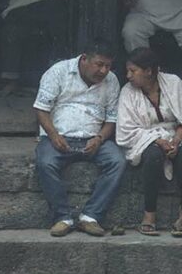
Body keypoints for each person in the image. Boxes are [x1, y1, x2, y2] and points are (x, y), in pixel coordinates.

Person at [33, 42, 125, 237]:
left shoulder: (112, 80)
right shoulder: (58, 72)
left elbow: (111, 119)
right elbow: (41, 109)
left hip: (94, 139)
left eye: (108, 66)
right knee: (45, 162)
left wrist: (99, 139)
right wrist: (53, 135)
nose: (103, 71)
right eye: (99, 64)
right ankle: (62, 218)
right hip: (59, 137)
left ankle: (90, 217)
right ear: (84, 59)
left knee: (117, 161)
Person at [116, 47, 182, 237]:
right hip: (145, 136)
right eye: (128, 71)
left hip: (176, 133)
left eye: (133, 71)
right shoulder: (127, 91)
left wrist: (176, 141)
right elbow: (125, 130)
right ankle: (149, 216)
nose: (128, 76)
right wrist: (158, 141)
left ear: (148, 71)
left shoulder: (174, 84)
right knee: (153, 157)